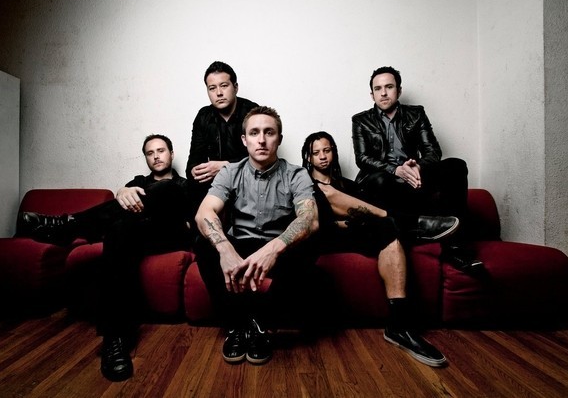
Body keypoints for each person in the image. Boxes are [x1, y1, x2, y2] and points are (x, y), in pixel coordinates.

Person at [18, 134, 194, 382]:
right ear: (146, 158)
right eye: (150, 152)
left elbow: (192, 223)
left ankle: (68, 225)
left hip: (170, 234)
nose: (156, 156)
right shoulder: (137, 183)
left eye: (161, 150)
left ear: (172, 154)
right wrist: (123, 191)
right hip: (137, 234)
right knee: (119, 230)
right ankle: (115, 338)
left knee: (166, 189)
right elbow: (121, 211)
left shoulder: (185, 184)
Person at [302, 131, 450, 367]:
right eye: (315, 152)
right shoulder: (302, 184)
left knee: (388, 228)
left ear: (334, 153)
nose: (322, 156)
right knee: (334, 197)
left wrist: (359, 219)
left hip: (356, 233)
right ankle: (412, 223)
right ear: (308, 157)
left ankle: (399, 326)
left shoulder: (349, 185)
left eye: (327, 150)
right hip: (322, 237)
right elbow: (320, 220)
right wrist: (352, 219)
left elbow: (364, 215)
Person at [194, 106, 320, 365]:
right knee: (204, 242)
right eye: (254, 133)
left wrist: (274, 248)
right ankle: (236, 325)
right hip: (240, 245)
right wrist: (225, 250)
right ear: (244, 140)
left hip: (278, 248)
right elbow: (204, 212)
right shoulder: (230, 172)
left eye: (269, 132)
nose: (261, 140)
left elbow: (309, 219)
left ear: (279, 139)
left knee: (310, 241)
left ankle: (261, 323)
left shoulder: (296, 174)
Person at [352, 66, 483, 274]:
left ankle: (456, 248)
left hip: (414, 179)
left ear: (399, 90)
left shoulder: (416, 114)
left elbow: (433, 151)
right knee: (379, 180)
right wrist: (396, 170)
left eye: (389, 87)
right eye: (378, 89)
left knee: (457, 165)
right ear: (372, 94)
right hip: (383, 183)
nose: (383, 93)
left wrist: (417, 167)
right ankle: (412, 229)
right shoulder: (361, 120)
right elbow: (363, 159)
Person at [185, 61, 259, 208]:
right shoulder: (203, 116)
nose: (218, 93)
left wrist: (226, 166)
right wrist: (196, 171)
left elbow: (262, 159)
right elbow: (193, 162)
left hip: (249, 182)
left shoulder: (253, 112)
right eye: (212, 88)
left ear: (235, 87)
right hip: (216, 186)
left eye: (224, 86)